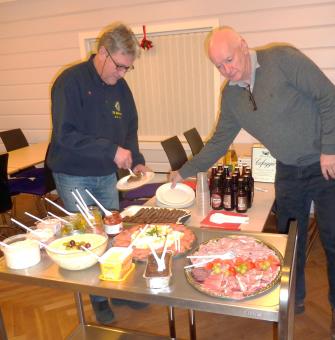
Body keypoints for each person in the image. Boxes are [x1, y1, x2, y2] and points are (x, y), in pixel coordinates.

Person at [170, 26, 335, 337]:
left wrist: (330, 149)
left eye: (229, 60)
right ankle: (292, 299)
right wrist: (184, 171)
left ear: (243, 47)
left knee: (334, 242)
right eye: (218, 65)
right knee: (290, 243)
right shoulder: (231, 96)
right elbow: (219, 141)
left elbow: (328, 97)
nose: (226, 70)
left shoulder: (282, 59)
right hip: (287, 169)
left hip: (325, 165)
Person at [47, 22, 149, 325]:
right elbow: (65, 135)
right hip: (74, 174)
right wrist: (111, 151)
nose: (121, 74)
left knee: (114, 233)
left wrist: (137, 159)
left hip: (107, 174)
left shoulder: (120, 85)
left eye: (126, 69)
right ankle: (98, 298)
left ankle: (115, 287)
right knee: (90, 237)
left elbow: (129, 126)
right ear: (102, 52)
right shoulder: (70, 82)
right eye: (119, 66)